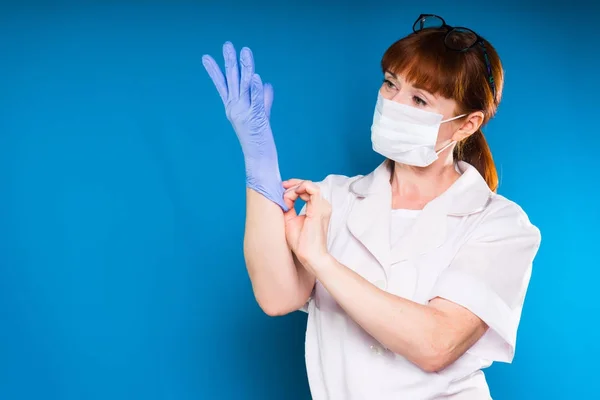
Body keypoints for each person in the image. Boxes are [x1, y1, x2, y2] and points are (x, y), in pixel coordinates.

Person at [202, 13, 541, 400]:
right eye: (390, 85)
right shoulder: (335, 196)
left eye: (418, 99)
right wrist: (259, 164)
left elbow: (436, 345)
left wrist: (322, 261)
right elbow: (278, 298)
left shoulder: (499, 223)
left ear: (467, 124)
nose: (394, 104)